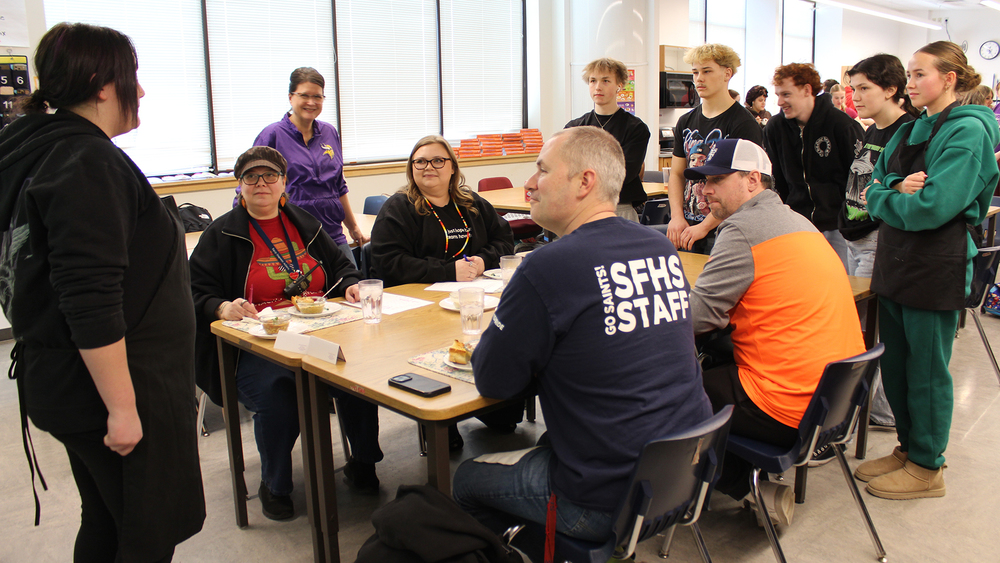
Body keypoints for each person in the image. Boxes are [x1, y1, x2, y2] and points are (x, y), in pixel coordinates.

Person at [0, 23, 204, 562]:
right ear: (100, 84)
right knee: (143, 535)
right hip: (107, 389)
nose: (141, 92)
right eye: (132, 79)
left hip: (62, 375)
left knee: (108, 519)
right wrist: (122, 408)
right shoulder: (84, 161)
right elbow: (88, 296)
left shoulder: (36, 149)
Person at [452, 126, 712, 545]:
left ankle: (568, 551)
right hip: (685, 472)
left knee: (464, 478)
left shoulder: (546, 267)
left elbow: (494, 380)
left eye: (541, 170)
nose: (529, 184)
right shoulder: (660, 247)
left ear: (584, 182)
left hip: (604, 497)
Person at [191, 146, 384, 517]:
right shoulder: (221, 235)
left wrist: (350, 284)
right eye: (251, 176)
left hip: (321, 331)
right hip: (258, 344)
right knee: (280, 394)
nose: (261, 183)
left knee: (359, 378)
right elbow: (194, 290)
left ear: (284, 183)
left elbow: (343, 266)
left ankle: (363, 463)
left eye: (270, 176)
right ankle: (275, 484)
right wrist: (221, 306)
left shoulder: (305, 223)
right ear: (239, 186)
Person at [687, 138, 865, 525]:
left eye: (717, 179)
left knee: (668, 393)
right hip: (830, 401)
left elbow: (696, 317)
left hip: (785, 405)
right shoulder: (798, 221)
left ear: (753, 180)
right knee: (714, 364)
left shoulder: (744, 229)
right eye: (703, 180)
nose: (705, 189)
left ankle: (746, 486)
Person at [857, 41, 999, 500]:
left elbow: (934, 208)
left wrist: (890, 197)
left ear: (950, 79)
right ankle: (907, 446)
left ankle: (928, 465)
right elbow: (871, 189)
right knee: (896, 364)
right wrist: (896, 189)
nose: (910, 83)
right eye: (911, 75)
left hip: (937, 262)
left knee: (928, 370)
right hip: (896, 259)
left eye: (920, 75)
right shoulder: (908, 128)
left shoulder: (970, 131)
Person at [370, 135, 515, 447]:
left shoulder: (472, 203)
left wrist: (481, 261)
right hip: (418, 309)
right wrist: (447, 271)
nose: (428, 167)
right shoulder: (399, 208)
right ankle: (439, 419)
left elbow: (504, 240)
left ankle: (489, 401)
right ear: (411, 169)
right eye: (420, 161)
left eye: (438, 160)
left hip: (475, 299)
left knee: (507, 421)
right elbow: (387, 262)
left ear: (452, 167)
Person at [843, 54, 919, 430]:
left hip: (880, 240)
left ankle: (877, 413)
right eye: (853, 88)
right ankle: (871, 409)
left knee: (870, 333)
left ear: (892, 90)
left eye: (864, 88)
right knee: (857, 329)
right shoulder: (871, 130)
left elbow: (902, 196)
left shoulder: (909, 132)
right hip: (856, 237)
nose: (855, 96)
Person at [252, 67, 366, 267]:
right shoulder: (272, 135)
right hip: (290, 237)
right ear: (290, 97)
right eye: (304, 95)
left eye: (318, 96)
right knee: (305, 297)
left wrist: (353, 228)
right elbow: (251, 188)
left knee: (352, 289)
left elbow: (339, 186)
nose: (311, 102)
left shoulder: (329, 133)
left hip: (332, 233)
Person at [764, 63, 865, 269]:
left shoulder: (842, 125)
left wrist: (850, 222)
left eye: (786, 94)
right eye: (778, 95)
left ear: (807, 90)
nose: (780, 102)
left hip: (838, 226)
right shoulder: (775, 128)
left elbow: (858, 179)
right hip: (796, 225)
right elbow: (776, 179)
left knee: (840, 283)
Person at [666, 44, 762, 254]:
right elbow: (676, 174)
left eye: (707, 71)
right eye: (695, 72)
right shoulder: (686, 121)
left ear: (727, 73)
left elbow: (745, 188)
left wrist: (705, 226)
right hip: (687, 226)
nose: (699, 78)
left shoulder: (743, 123)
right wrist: (676, 216)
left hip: (726, 229)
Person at [565, 58, 651, 221]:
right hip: (580, 208)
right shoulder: (574, 128)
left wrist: (584, 173)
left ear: (619, 85)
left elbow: (623, 173)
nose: (598, 87)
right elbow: (566, 169)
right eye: (593, 81)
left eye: (605, 81)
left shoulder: (635, 128)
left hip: (618, 209)